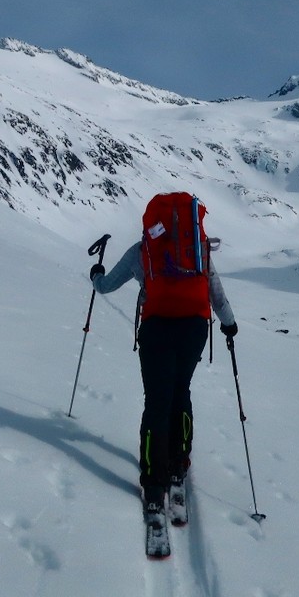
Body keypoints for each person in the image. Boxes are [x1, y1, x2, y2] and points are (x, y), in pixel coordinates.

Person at [89, 219, 237, 518]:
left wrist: (96, 274)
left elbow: (106, 286)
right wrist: (229, 325)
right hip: (193, 330)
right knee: (181, 390)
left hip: (156, 329)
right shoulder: (197, 251)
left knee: (157, 402)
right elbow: (217, 295)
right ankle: (178, 466)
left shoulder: (141, 250)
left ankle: (154, 482)